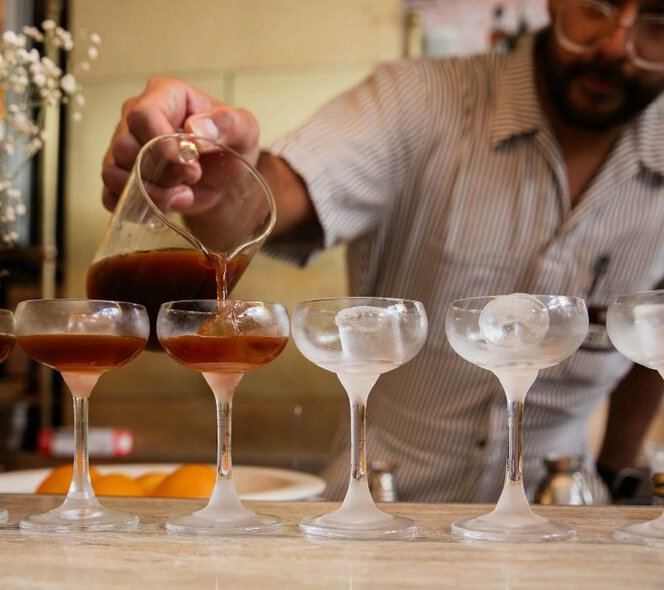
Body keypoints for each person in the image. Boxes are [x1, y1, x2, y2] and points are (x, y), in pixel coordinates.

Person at [99, 0, 664, 503]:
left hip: (559, 507)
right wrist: (221, 184)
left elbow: (652, 334)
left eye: (656, 24)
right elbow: (261, 206)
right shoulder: (420, 101)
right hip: (380, 504)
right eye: (598, 8)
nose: (617, 47)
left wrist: (620, 472)